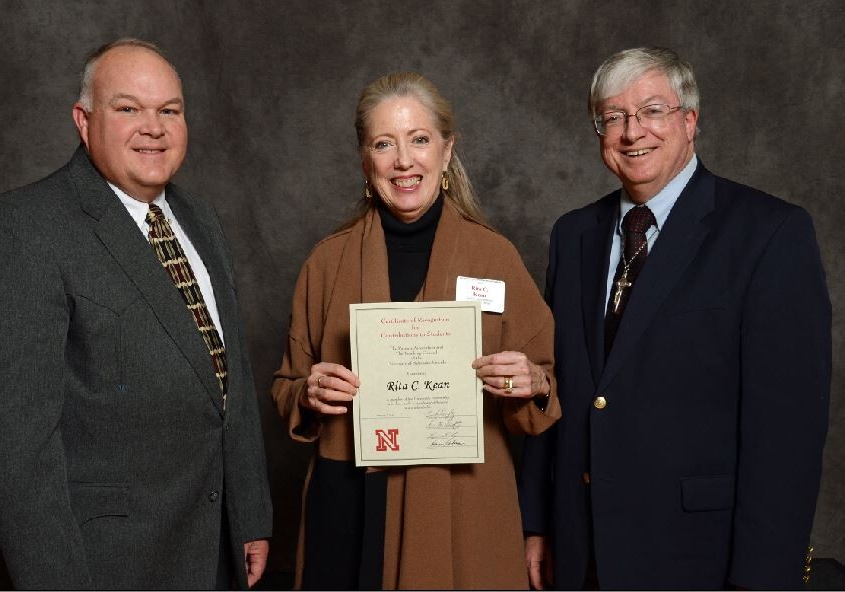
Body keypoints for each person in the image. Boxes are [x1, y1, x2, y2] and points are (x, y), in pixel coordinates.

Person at [0, 38, 272, 590]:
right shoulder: (19, 232)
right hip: (107, 565)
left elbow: (228, 377)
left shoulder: (200, 220)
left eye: (169, 111)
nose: (154, 127)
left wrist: (250, 516)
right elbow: (15, 454)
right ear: (84, 119)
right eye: (128, 108)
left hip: (215, 549)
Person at [519, 46, 831, 589]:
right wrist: (539, 523)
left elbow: (787, 440)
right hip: (581, 550)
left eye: (652, 111)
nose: (631, 132)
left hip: (698, 559)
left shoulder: (769, 233)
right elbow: (563, 386)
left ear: (690, 120)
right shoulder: (574, 235)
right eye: (613, 117)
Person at [271, 72, 561, 589]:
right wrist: (309, 392)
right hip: (352, 503)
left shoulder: (494, 257)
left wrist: (532, 383)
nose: (404, 161)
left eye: (419, 140)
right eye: (385, 144)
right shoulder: (326, 262)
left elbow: (545, 388)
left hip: (459, 505)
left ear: (447, 152)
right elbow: (286, 386)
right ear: (366, 160)